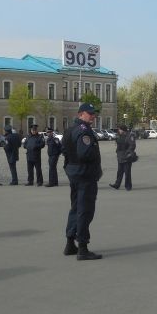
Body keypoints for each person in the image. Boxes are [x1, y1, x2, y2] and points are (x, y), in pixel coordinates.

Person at [62, 103, 103, 260]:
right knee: (85, 210)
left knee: (75, 208)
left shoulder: (70, 130)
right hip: (85, 175)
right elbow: (85, 153)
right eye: (90, 113)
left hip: (74, 173)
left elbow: (64, 150)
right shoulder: (83, 131)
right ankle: (83, 247)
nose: (93, 116)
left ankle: (70, 243)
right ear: (80, 114)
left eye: (94, 113)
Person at [109, 125, 136, 191]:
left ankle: (128, 186)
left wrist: (128, 153)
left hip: (127, 156)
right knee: (119, 172)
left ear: (123, 130)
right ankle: (117, 185)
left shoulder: (130, 135)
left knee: (127, 172)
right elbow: (118, 144)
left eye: (120, 129)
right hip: (120, 156)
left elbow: (132, 145)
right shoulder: (119, 135)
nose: (119, 131)